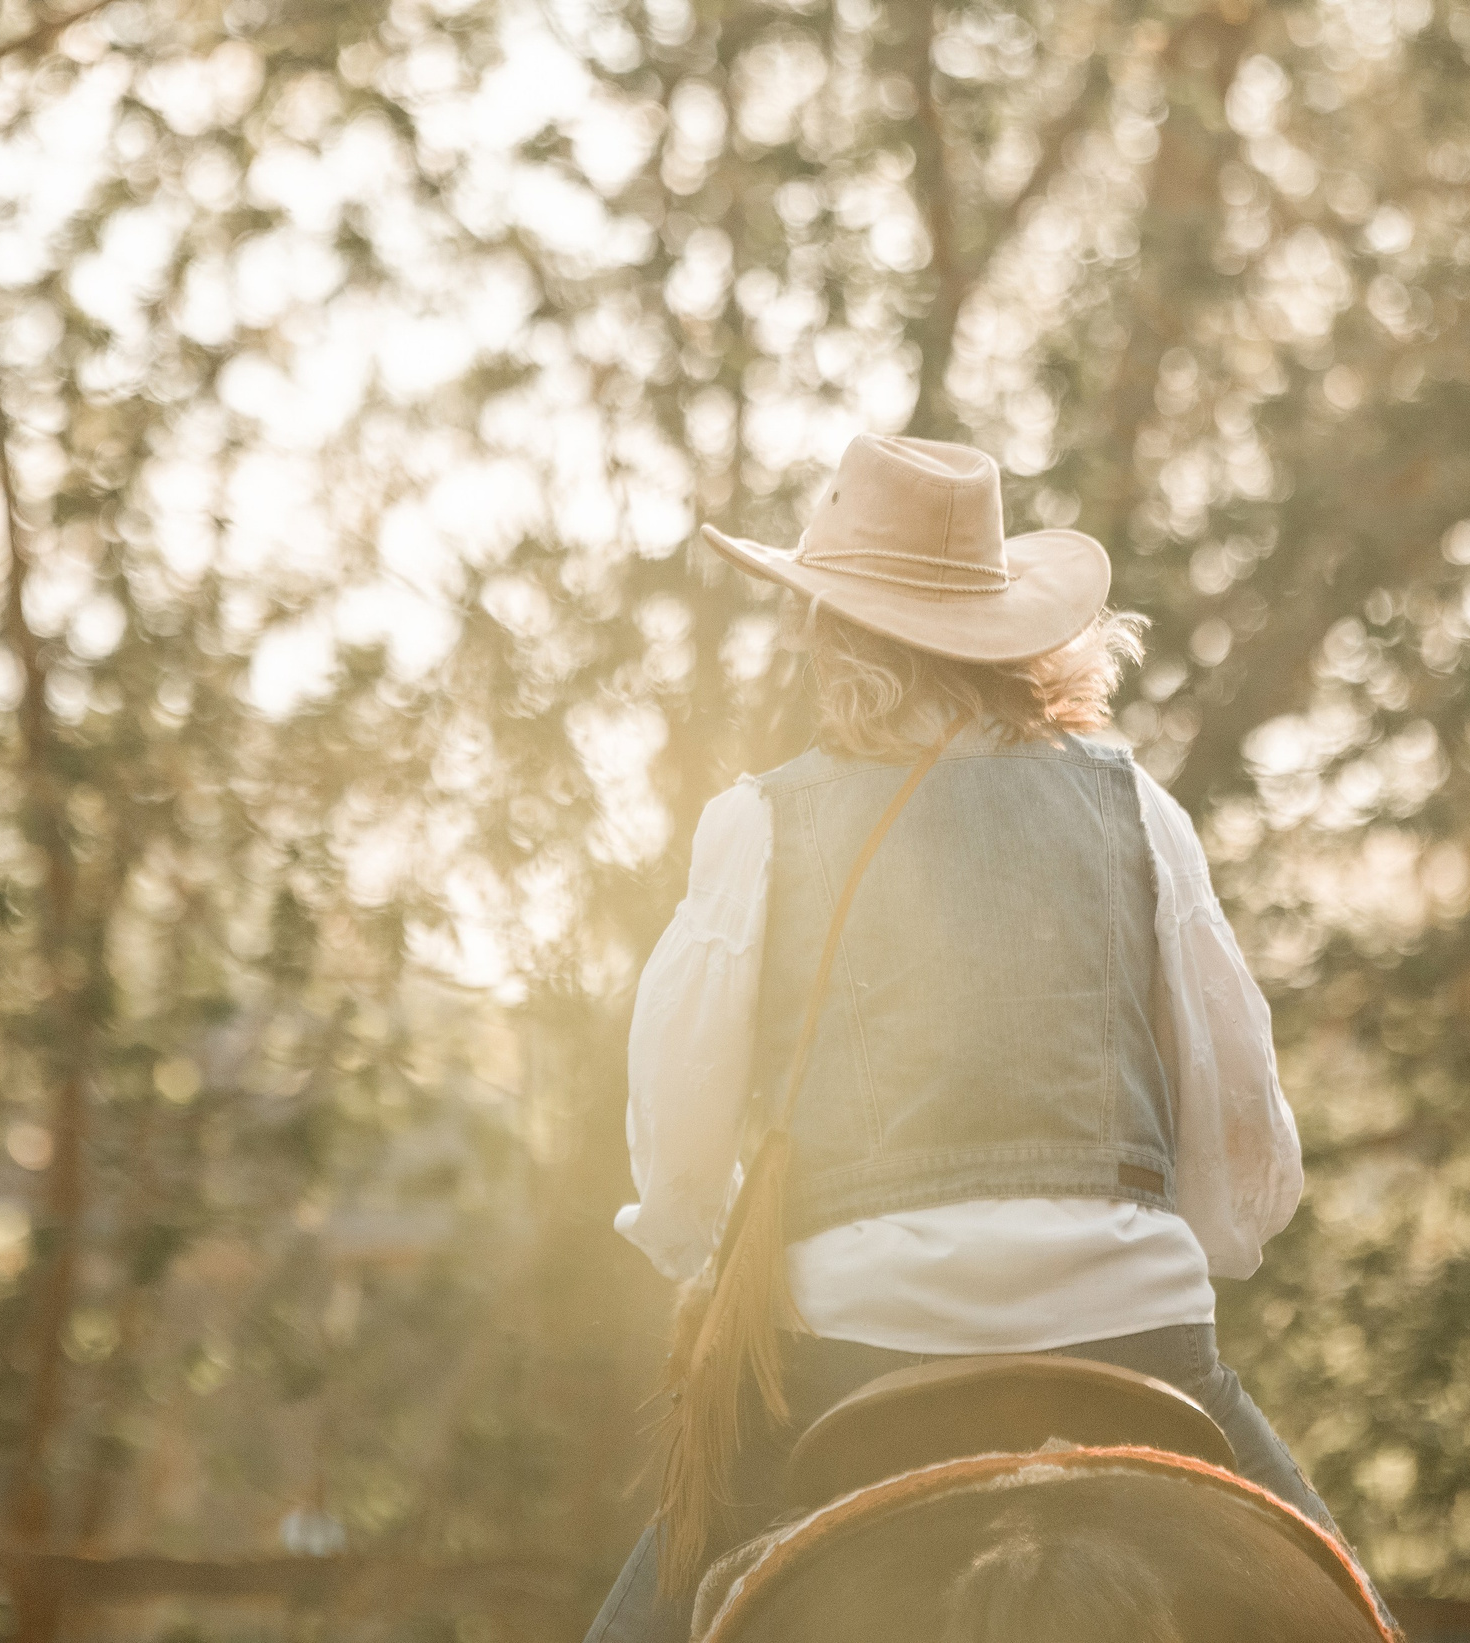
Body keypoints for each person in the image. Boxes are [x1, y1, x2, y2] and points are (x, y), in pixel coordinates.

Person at [583, 434, 1365, 1643]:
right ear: (1016, 637)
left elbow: (678, 1148)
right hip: (1131, 1320)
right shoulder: (1136, 809)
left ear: (832, 635)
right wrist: (1158, 1242)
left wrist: (708, 1247)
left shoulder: (758, 822)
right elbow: (1240, 1127)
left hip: (854, 1332)